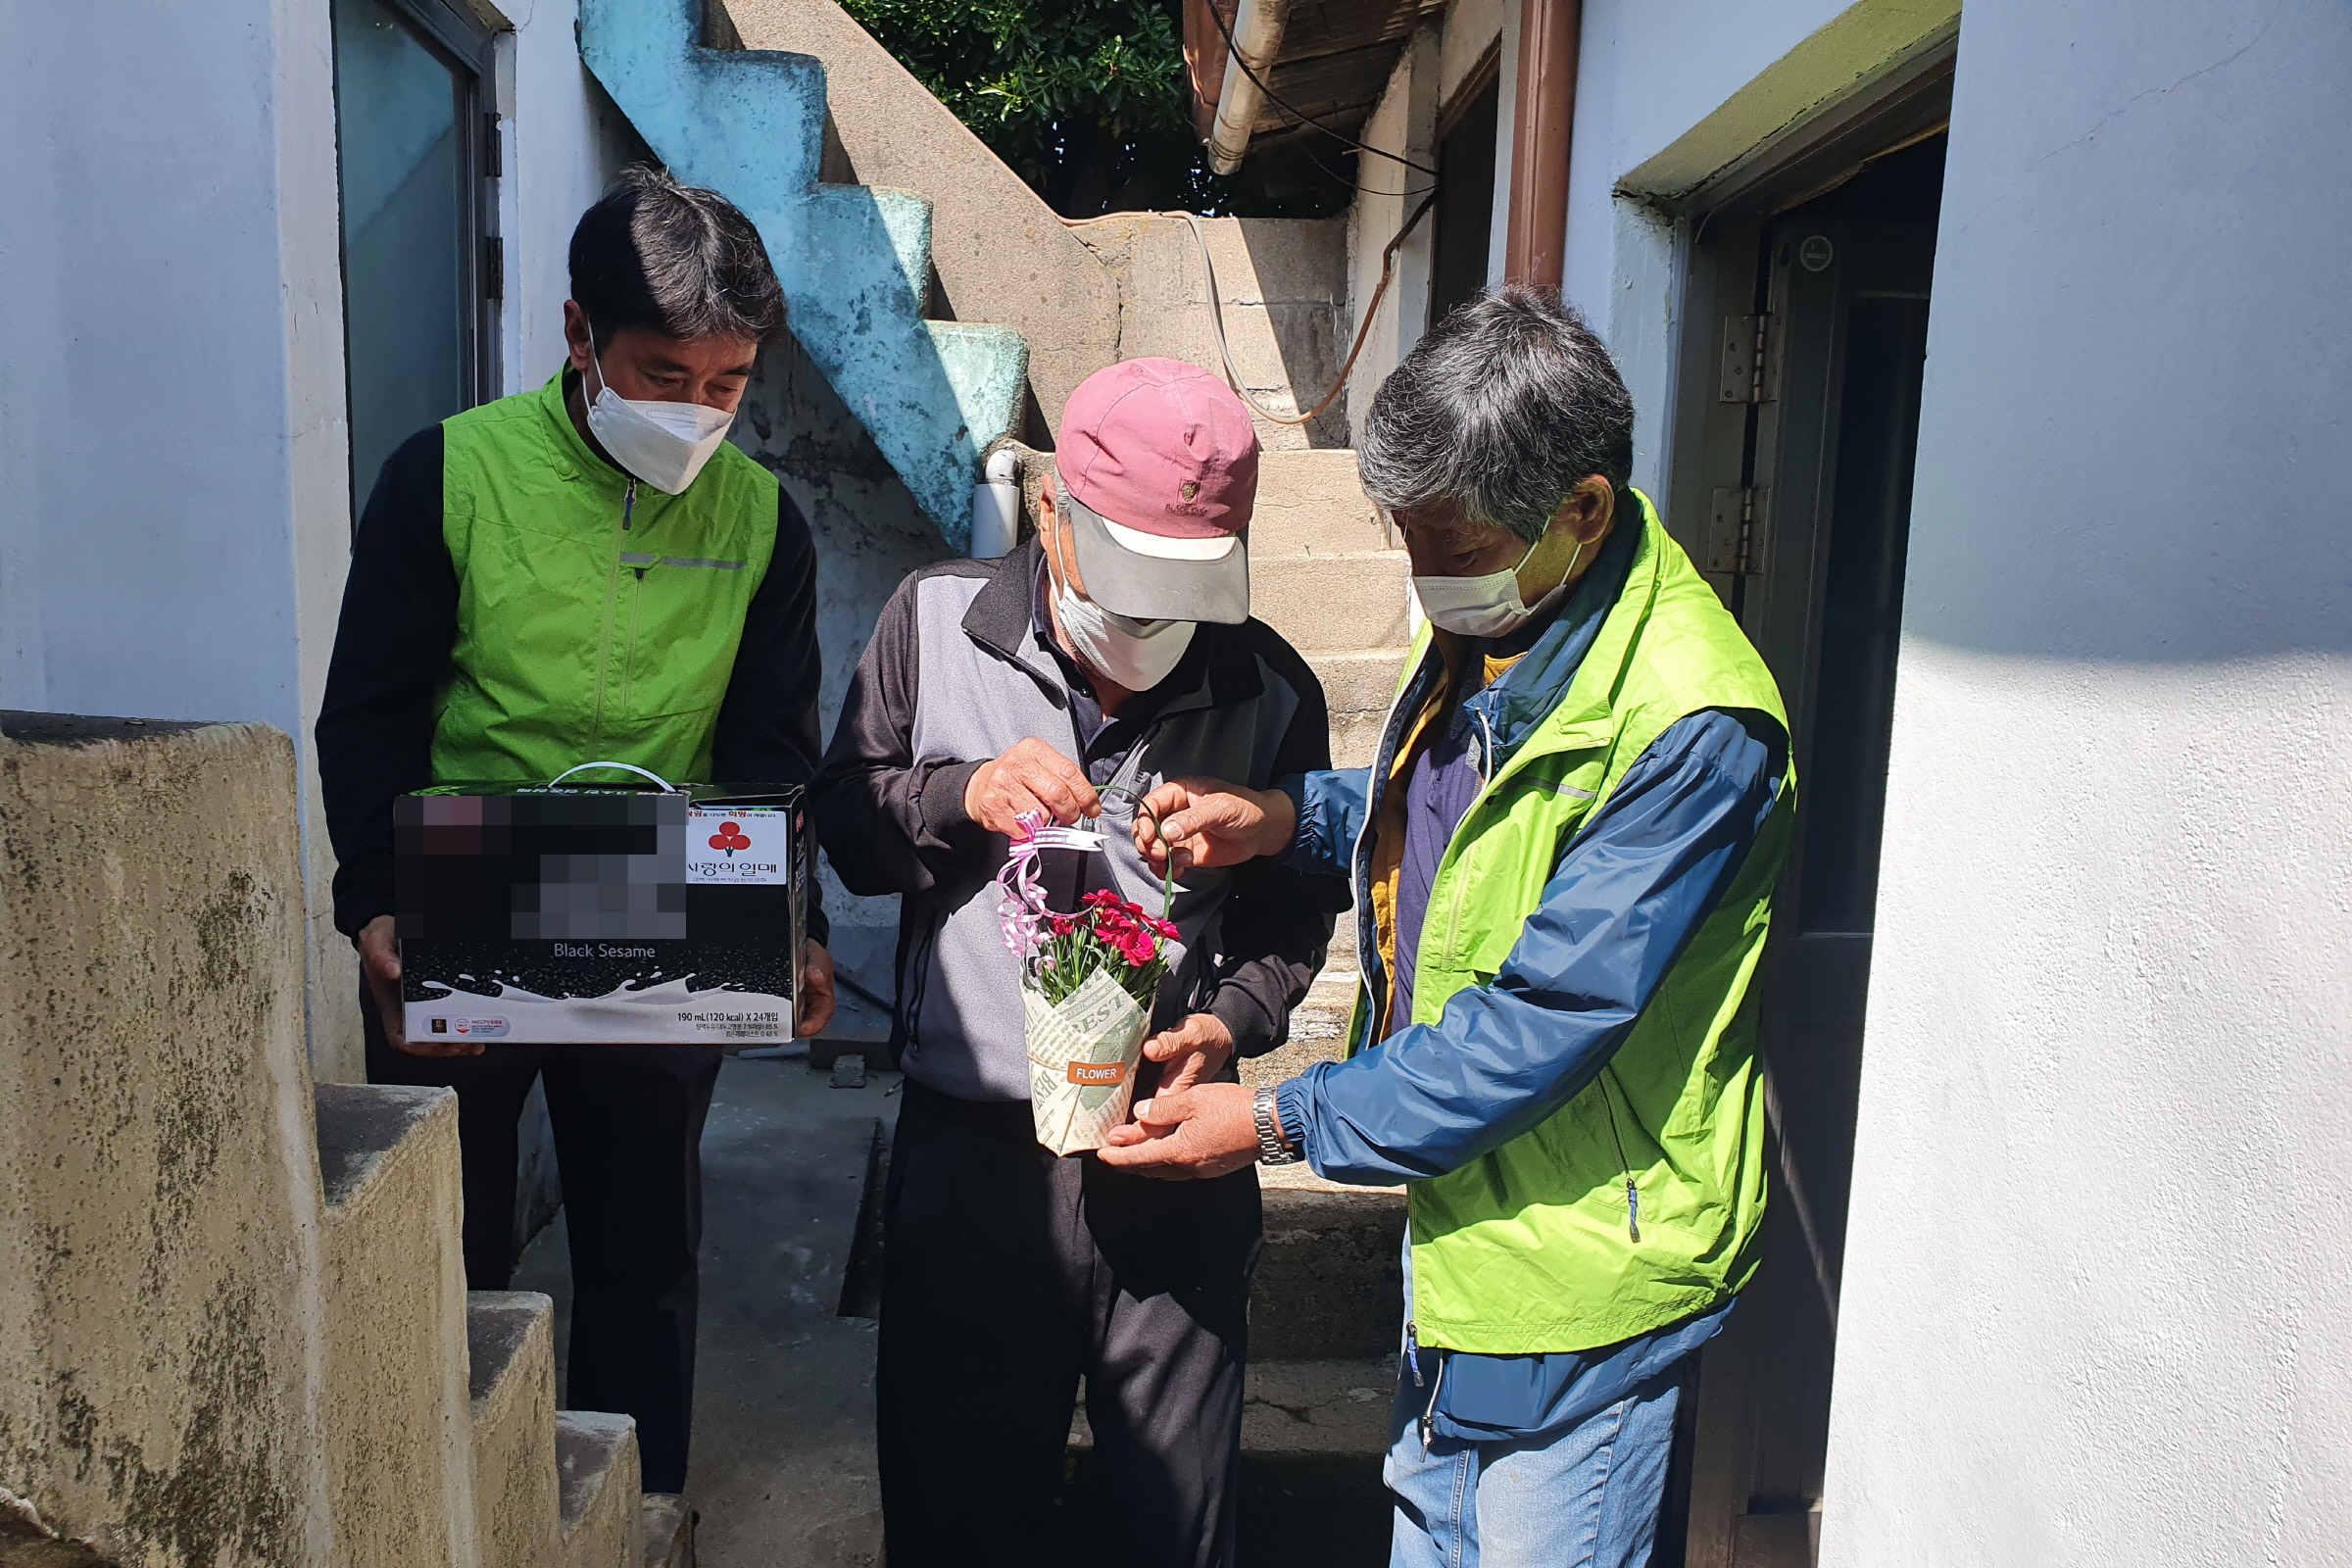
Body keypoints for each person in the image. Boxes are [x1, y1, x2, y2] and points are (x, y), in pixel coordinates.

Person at [1100, 289, 1795, 1568]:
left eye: (1448, 544)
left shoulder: (1694, 730)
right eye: (1405, 540)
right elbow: (1473, 831)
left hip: (1584, 1283)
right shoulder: (1520, 621)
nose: (1427, 577)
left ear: (1579, 510)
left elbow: (1543, 1017)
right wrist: (1283, 817)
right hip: (1474, 1244)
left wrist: (1271, 1118)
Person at [316, 165, 836, 1497]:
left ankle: (637, 1510)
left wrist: (792, 923)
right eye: (665, 375)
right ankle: (442, 1496)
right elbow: (367, 713)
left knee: (641, 1243)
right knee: (449, 1237)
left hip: (660, 902)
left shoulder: (765, 523)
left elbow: (773, 751)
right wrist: (372, 898)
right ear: (576, 337)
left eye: (729, 385)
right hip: (464, 895)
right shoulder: (447, 476)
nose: (698, 414)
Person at [812, 358, 1349, 1567]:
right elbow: (844, 822)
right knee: (959, 1517)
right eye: (1126, 588)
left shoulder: (1269, 688)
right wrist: (959, 792)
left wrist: (1229, 1023)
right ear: (1053, 515)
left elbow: (1294, 906)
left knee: (1169, 1528)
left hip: (1167, 1169)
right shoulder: (933, 621)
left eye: (1183, 598)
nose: (1148, 633)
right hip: (973, 1164)